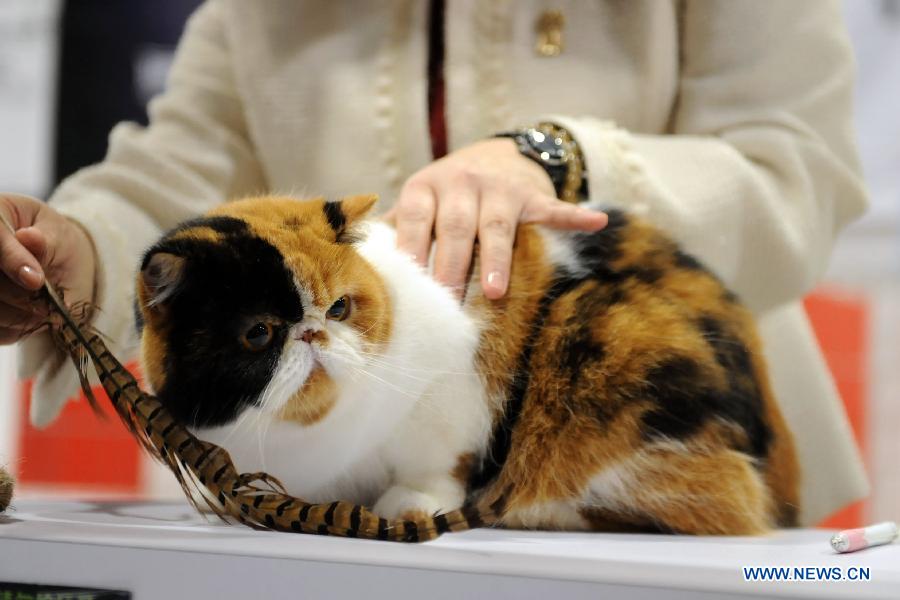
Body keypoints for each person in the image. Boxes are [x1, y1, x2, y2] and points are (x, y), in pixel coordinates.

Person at [0, 0, 868, 525]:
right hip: (345, 522)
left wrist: (554, 159)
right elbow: (175, 173)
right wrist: (83, 251)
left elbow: (797, 174)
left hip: (671, 488)